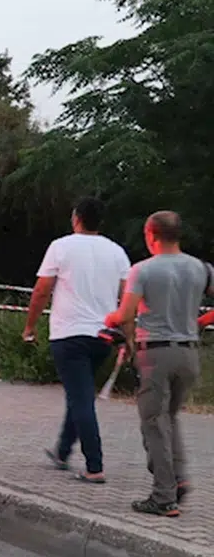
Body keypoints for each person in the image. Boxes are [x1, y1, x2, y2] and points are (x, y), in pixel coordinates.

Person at [105, 211, 214, 517]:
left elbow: (126, 314)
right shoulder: (201, 268)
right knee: (170, 418)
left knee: (153, 423)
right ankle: (179, 478)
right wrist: (201, 321)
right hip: (189, 353)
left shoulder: (143, 270)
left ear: (150, 234)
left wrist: (110, 318)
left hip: (155, 354)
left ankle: (163, 497)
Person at [23, 197, 131, 483]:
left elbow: (42, 290)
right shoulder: (117, 252)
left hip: (69, 335)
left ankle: (95, 466)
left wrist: (30, 326)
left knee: (81, 399)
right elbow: (127, 298)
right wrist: (127, 337)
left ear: (76, 218)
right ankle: (62, 452)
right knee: (79, 393)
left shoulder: (61, 247)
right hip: (103, 337)